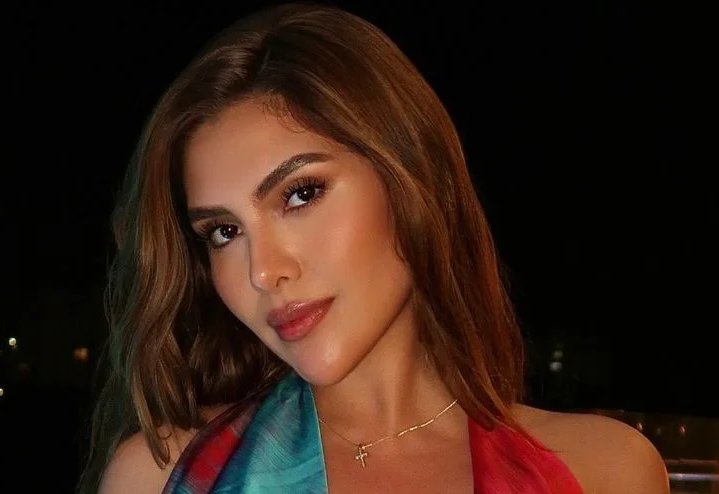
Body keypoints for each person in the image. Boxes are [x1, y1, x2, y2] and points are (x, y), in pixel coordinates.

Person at [81, 3, 669, 493]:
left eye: (301, 193)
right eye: (224, 232)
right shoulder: (164, 476)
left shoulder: (606, 471)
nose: (264, 272)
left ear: (409, 176)